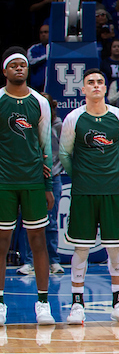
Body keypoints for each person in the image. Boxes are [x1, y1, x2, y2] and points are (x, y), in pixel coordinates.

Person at [58, 69, 119, 325]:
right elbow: (65, 155)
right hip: (83, 191)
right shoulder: (74, 118)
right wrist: (82, 176)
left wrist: (112, 175)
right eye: (90, 82)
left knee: (115, 248)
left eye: (100, 82)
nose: (95, 86)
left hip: (111, 191)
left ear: (105, 88)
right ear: (83, 89)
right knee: (81, 248)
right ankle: (77, 304)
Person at [0, 48, 56, 326]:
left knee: (38, 242)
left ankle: (43, 303)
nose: (20, 69)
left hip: (34, 181)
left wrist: (47, 185)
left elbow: (44, 145)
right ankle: (0, 304)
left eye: (23, 65)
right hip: (4, 182)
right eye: (14, 65)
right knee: (2, 243)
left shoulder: (39, 102)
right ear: (5, 71)